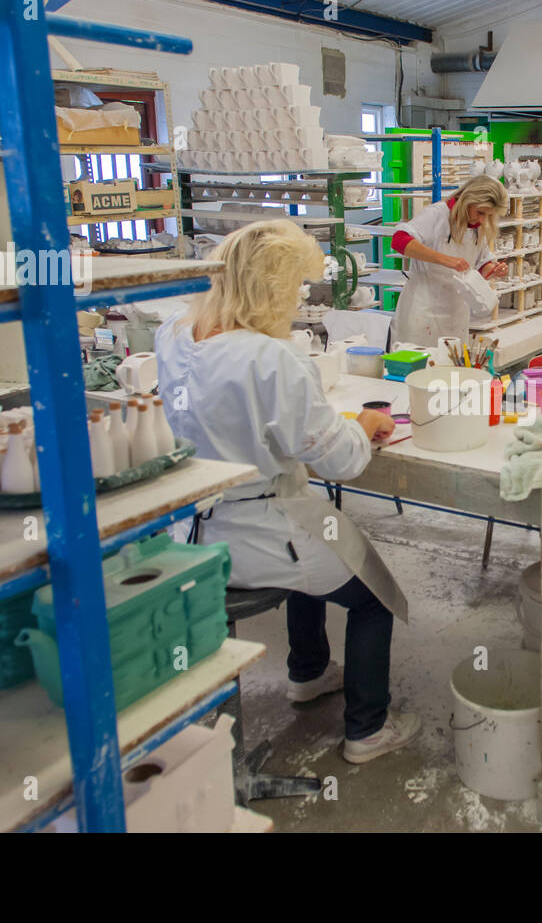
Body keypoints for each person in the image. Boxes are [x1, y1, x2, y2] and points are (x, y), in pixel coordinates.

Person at [154, 219, 419, 764]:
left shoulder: (175, 332)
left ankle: (308, 672)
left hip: (189, 528)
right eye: (298, 285)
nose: (301, 298)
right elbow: (341, 460)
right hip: (255, 528)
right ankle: (367, 731)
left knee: (316, 550)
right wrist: (366, 424)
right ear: (270, 286)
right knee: (375, 598)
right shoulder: (273, 358)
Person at [389, 175, 509, 348]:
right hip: (423, 308)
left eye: (488, 215)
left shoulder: (477, 229)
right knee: (419, 368)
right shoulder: (437, 215)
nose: (482, 219)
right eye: (480, 212)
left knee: (450, 368)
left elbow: (481, 263)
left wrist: (492, 269)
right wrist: (445, 260)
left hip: (455, 311)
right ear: (468, 199)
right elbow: (399, 241)